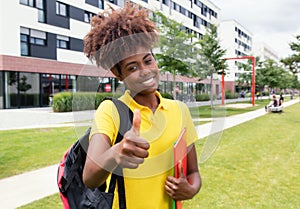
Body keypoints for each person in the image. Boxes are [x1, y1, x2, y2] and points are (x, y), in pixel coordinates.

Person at [82, 4, 201, 209]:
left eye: (148, 61)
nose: (145, 71)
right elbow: (90, 177)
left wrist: (191, 188)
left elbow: (193, 172)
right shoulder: (111, 111)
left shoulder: (179, 110)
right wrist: (116, 152)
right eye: (132, 67)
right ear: (118, 74)